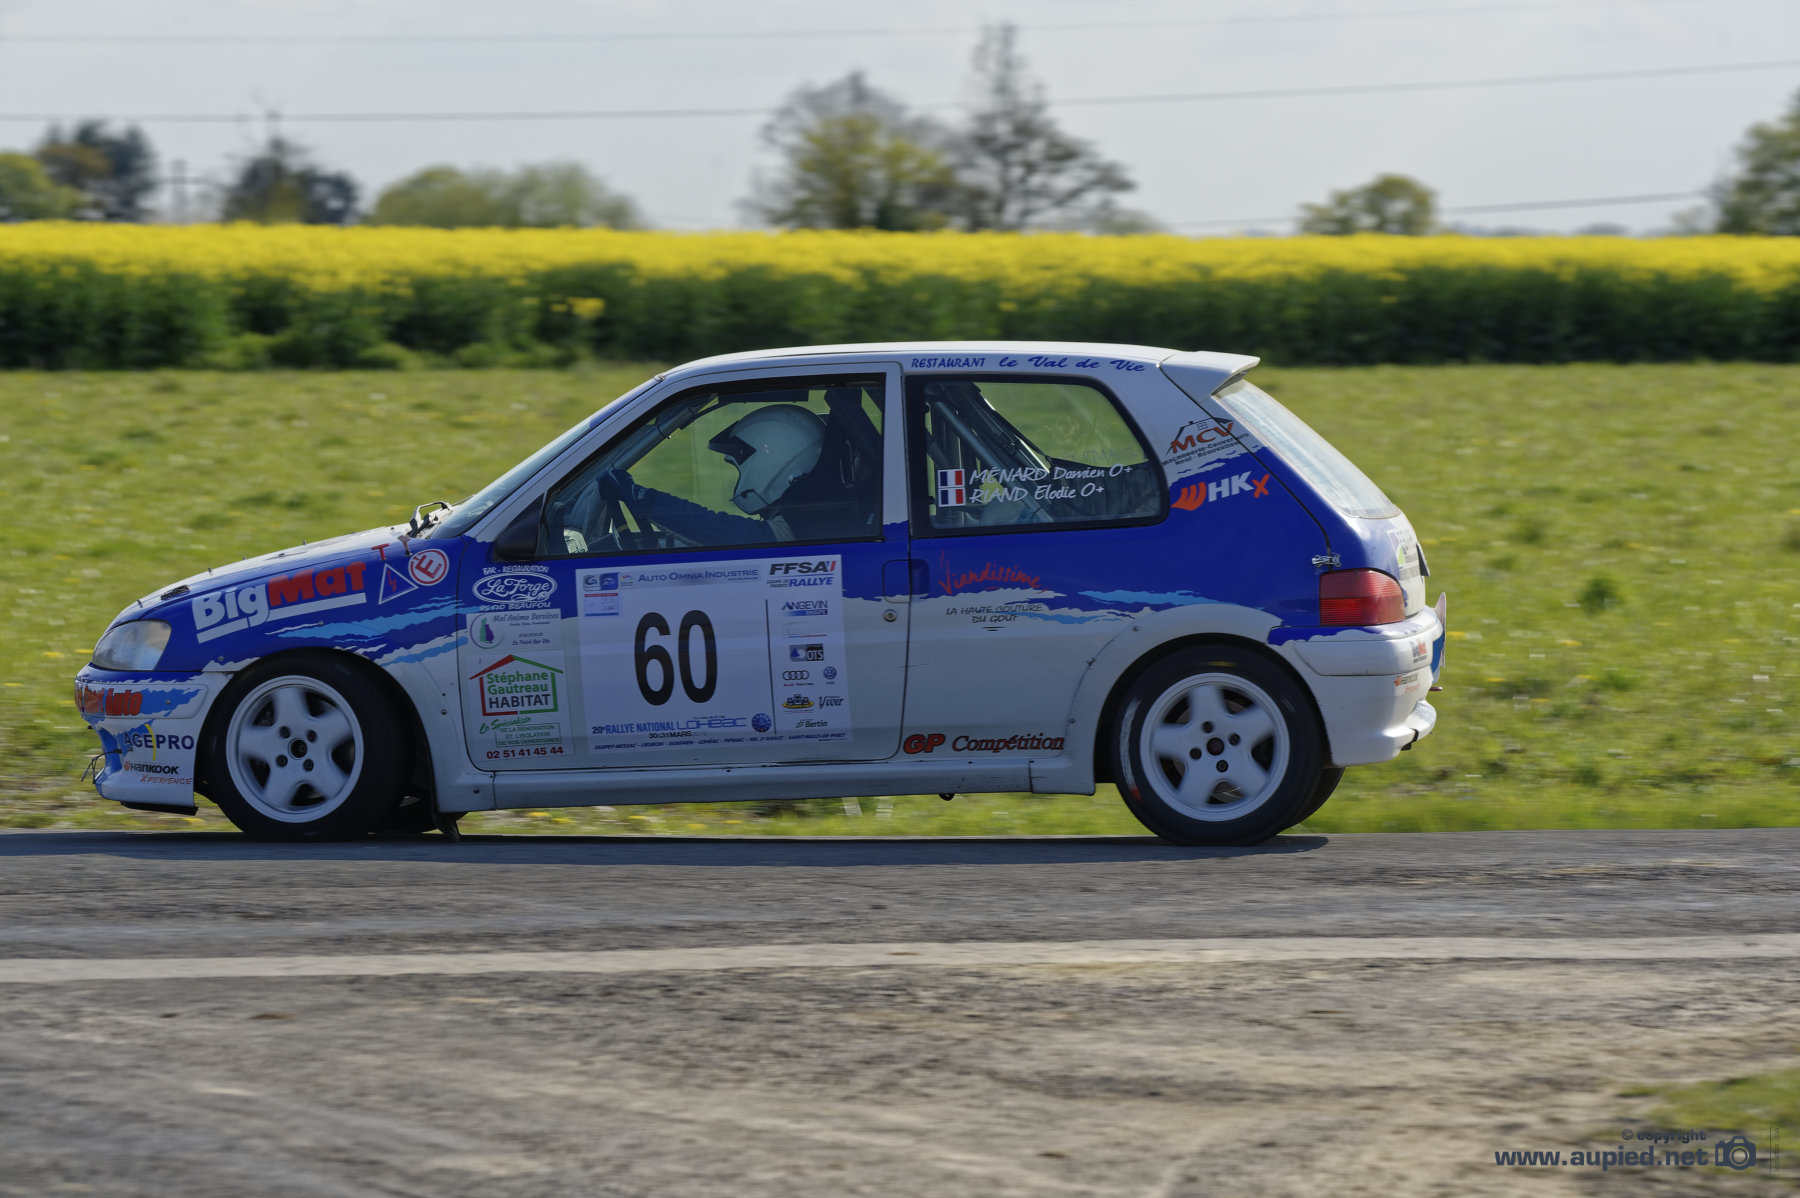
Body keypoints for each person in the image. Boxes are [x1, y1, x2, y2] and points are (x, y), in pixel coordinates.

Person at [597, 403, 874, 544]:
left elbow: (718, 530)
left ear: (776, 461)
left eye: (739, 464)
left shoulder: (815, 520)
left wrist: (641, 498)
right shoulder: (819, 508)